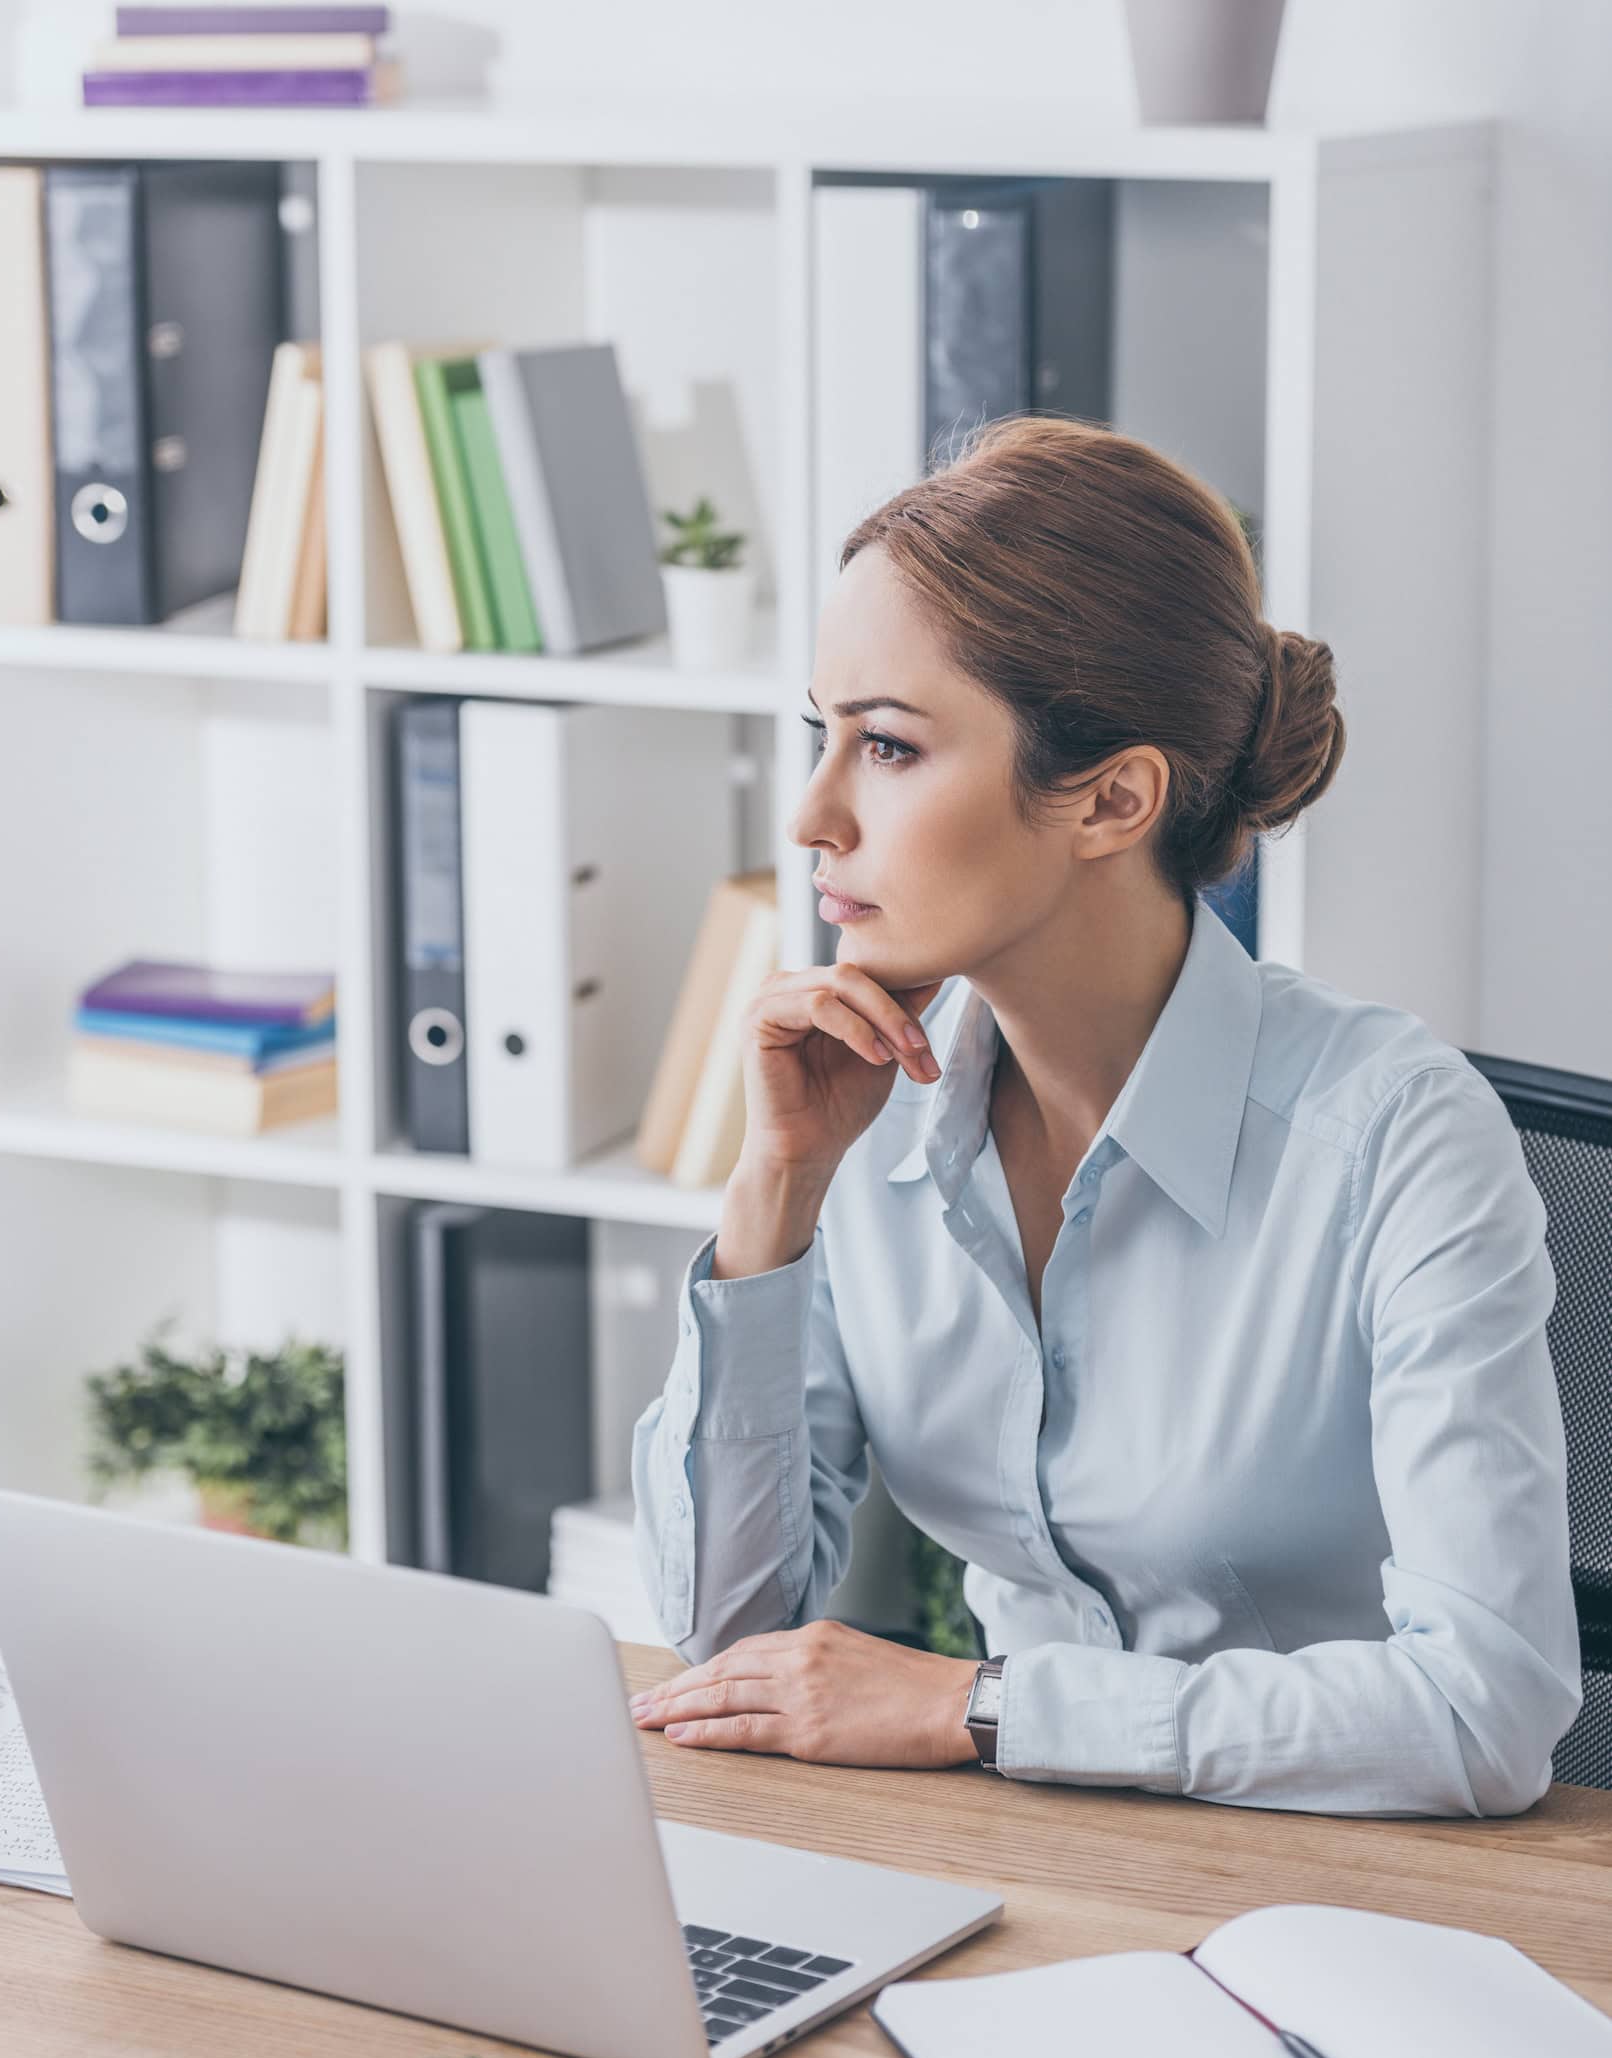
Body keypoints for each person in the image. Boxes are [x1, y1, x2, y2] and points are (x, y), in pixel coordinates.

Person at [630, 416, 1580, 1816]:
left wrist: (980, 1704)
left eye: (888, 748)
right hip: (1035, 1871)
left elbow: (1482, 1711)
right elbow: (726, 1637)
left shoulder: (1396, 1140)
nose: (815, 815)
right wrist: (774, 1191)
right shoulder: (868, 1108)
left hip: (1351, 1909)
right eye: (818, 737)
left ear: (1112, 800)